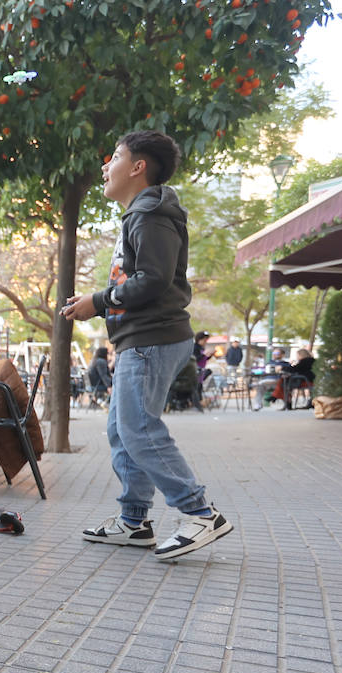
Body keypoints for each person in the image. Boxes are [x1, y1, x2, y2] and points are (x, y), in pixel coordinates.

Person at [62, 129, 232, 561]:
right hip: (140, 339)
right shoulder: (141, 212)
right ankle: (134, 521)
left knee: (139, 428)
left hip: (153, 338)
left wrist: (96, 302)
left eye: (114, 156)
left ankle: (200, 512)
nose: (105, 166)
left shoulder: (151, 211)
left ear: (138, 167)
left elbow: (153, 280)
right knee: (122, 429)